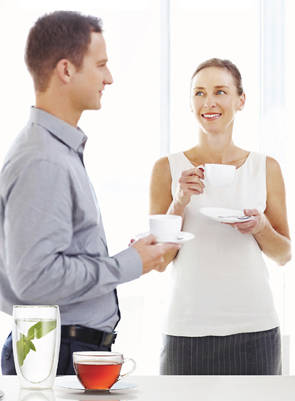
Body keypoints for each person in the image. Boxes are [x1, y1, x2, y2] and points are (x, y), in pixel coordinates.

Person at [0, 11, 176, 376]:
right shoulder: (44, 161)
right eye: (101, 65)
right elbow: (35, 280)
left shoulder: (54, 151)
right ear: (66, 70)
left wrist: (137, 257)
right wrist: (130, 263)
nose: (109, 78)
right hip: (58, 352)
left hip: (62, 348)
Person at [150, 58, 291, 375]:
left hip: (255, 328)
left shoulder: (266, 168)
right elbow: (158, 261)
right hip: (186, 329)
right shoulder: (166, 169)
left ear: (240, 100)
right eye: (199, 93)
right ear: (190, 103)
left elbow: (284, 254)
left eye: (220, 91)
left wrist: (261, 227)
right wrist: (180, 201)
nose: (209, 102)